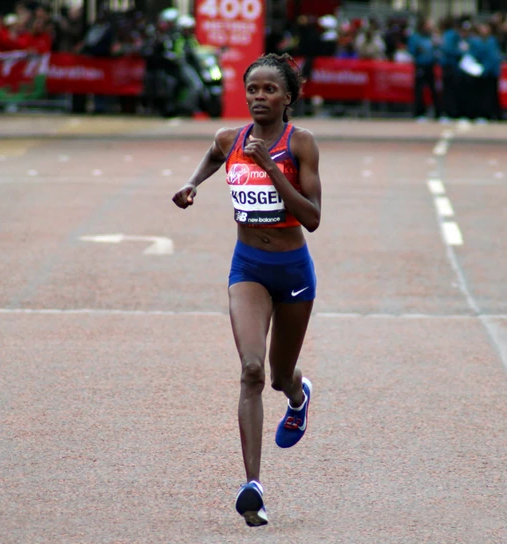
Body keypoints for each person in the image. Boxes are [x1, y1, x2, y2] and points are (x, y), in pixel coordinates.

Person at [172, 53, 321, 528]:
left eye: (269, 90)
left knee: (279, 377)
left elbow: (313, 218)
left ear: (287, 97)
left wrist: (272, 169)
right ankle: (252, 487)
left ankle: (298, 396)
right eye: (252, 89)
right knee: (252, 370)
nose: (259, 97)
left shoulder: (300, 143)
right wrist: (192, 183)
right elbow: (215, 155)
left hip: (293, 271)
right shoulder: (230, 138)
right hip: (248, 268)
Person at [408, 18, 440, 121]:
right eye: (427, 25)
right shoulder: (416, 37)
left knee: (434, 89)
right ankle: (419, 113)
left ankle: (438, 113)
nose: (429, 27)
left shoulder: (431, 37)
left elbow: (437, 50)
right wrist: (418, 50)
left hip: (430, 66)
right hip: (420, 65)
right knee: (419, 90)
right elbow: (411, 50)